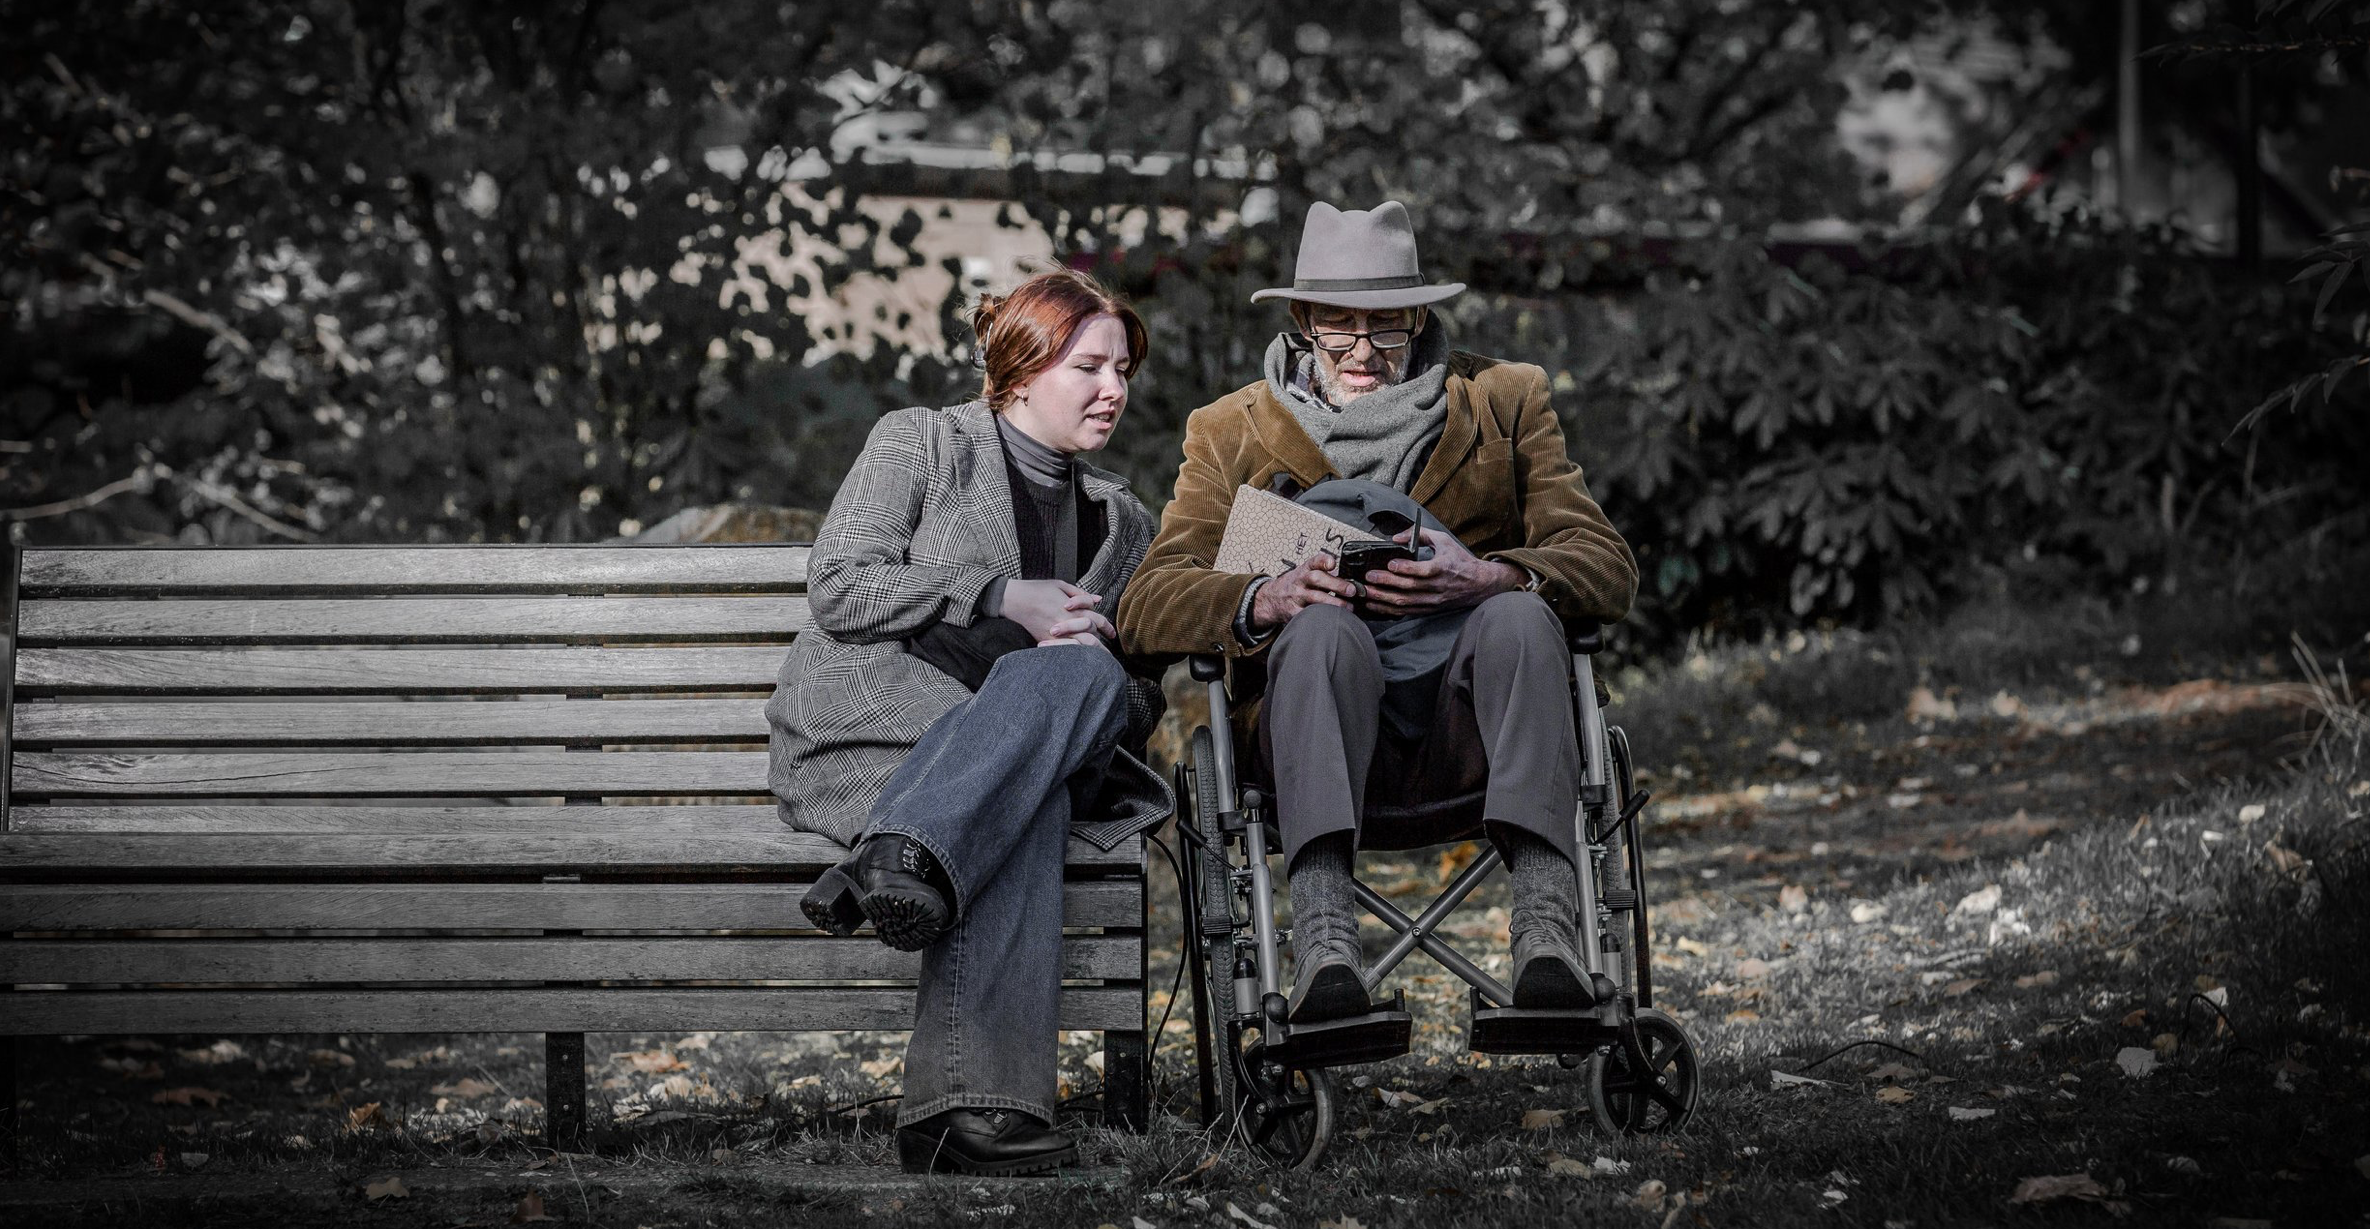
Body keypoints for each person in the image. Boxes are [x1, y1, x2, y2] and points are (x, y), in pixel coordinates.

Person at [1114, 200, 1637, 1026]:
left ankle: (1548, 934)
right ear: (1302, 319)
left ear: (1419, 315)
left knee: (1520, 615)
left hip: (1474, 729)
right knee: (1320, 627)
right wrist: (1262, 596)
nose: (1364, 350)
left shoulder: (1503, 398)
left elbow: (1606, 565)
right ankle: (1324, 943)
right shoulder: (1227, 430)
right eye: (1340, 325)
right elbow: (1146, 603)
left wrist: (1491, 574)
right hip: (1313, 730)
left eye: (1387, 327)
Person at [765, 268, 1170, 1177]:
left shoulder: (1122, 519)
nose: (1116, 390)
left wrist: (1094, 674)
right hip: (874, 739)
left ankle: (898, 854)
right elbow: (840, 585)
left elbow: (1139, 693)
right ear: (1022, 370)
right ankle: (967, 1109)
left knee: (1077, 693)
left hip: (974, 783)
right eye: (1090, 367)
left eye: (1123, 369)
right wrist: (999, 594)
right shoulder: (922, 443)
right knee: (1025, 786)